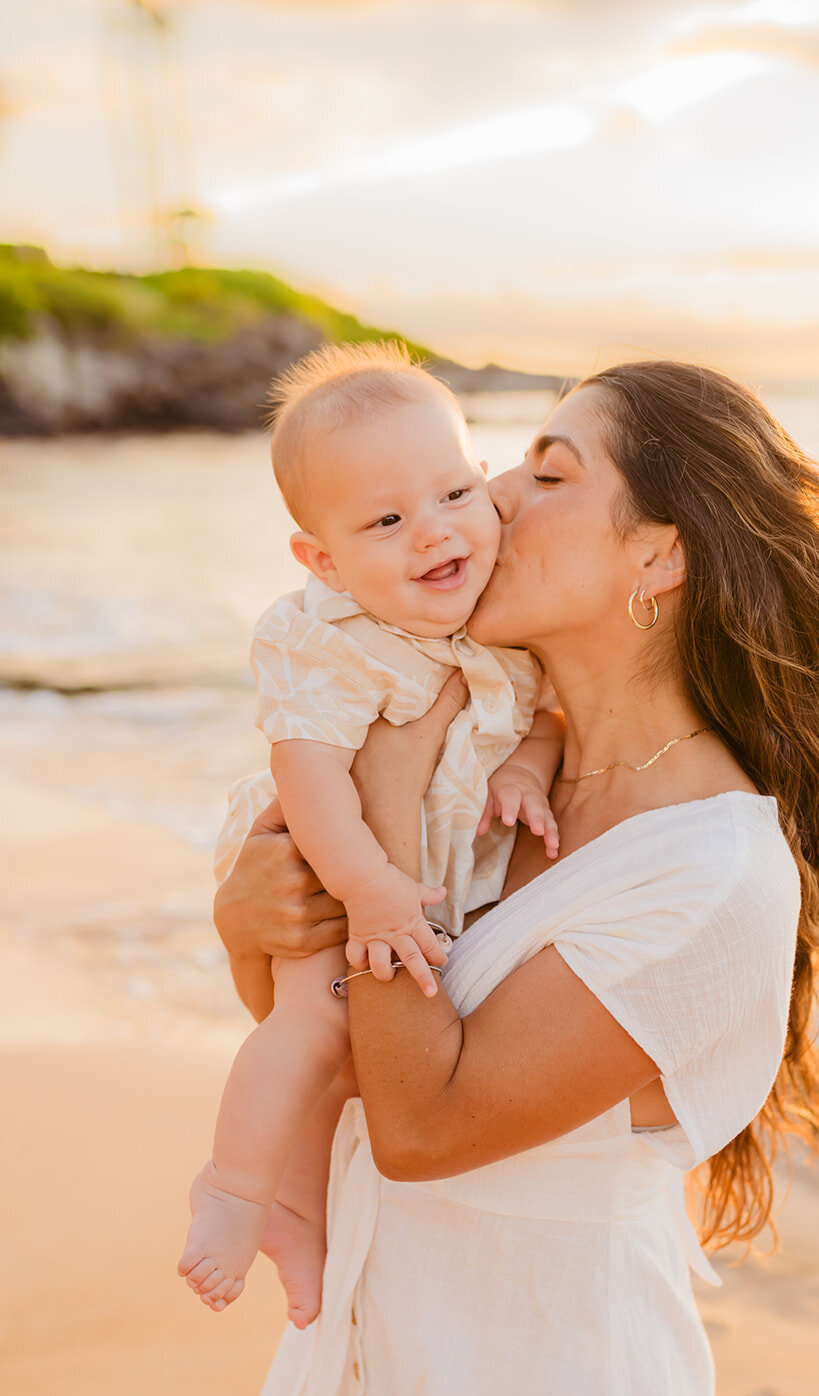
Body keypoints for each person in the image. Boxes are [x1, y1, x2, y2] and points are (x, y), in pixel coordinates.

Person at [214, 359, 819, 1396]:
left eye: (547, 473)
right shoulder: (494, 778)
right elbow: (341, 1050)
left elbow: (424, 1124)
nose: (486, 495)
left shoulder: (708, 870)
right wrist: (248, 918)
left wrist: (375, 800)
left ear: (655, 559)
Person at [178, 341, 563, 1325]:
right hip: (323, 850)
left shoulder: (499, 616)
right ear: (323, 559)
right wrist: (363, 884)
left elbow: (548, 714)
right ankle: (230, 1188)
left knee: (351, 1052)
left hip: (403, 874)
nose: (432, 534)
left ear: (485, 486)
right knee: (308, 1026)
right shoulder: (331, 638)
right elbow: (301, 774)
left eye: (450, 495)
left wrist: (524, 768)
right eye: (386, 521)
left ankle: (296, 1212)